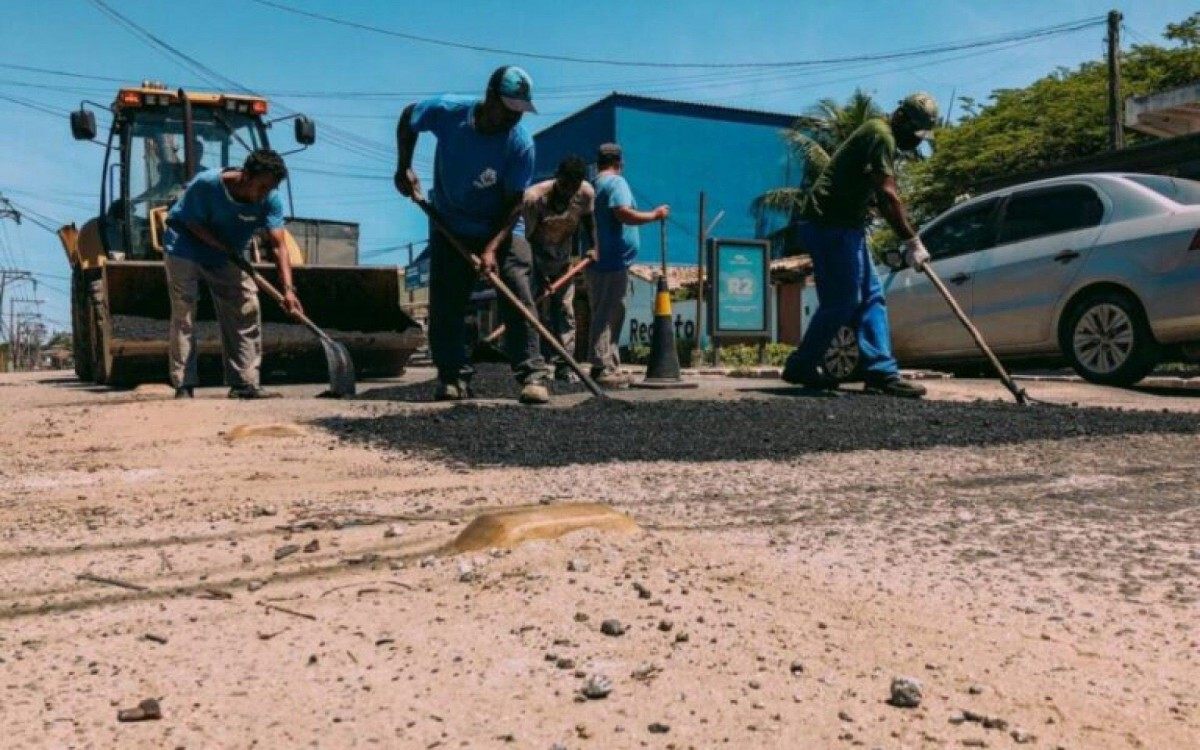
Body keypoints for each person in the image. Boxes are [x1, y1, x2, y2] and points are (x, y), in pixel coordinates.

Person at [393, 65, 551, 405]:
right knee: (447, 301)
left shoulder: (520, 144)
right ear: (491, 97)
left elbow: (514, 206)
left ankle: (532, 374)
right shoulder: (449, 112)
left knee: (518, 288)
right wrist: (403, 165)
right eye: (509, 111)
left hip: (502, 228)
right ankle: (452, 376)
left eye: (520, 113)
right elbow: (409, 117)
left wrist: (493, 248)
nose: (515, 120)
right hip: (450, 222)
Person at [782, 92, 940, 398]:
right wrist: (912, 239)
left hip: (847, 226)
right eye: (917, 133)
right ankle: (802, 365)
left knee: (871, 297)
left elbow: (878, 196)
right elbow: (887, 195)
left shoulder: (883, 137)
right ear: (902, 119)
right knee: (843, 300)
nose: (918, 141)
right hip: (828, 225)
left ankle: (880, 372)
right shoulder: (880, 135)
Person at [163, 148, 301, 399]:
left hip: (227, 254)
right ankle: (184, 383)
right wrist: (222, 246)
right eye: (261, 187)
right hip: (185, 247)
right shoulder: (206, 185)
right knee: (185, 312)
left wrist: (289, 291)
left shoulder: (270, 200)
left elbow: (279, 245)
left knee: (247, 305)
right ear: (245, 175)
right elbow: (191, 222)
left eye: (269, 189)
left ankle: (244, 383)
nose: (263, 195)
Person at [588, 143, 669, 388]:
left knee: (608, 310)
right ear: (619, 163)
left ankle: (608, 364)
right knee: (608, 312)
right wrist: (654, 215)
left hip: (600, 260)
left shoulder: (593, 184)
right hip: (611, 261)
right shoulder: (616, 183)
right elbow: (622, 212)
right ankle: (603, 367)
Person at [522, 154, 597, 382]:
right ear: (557, 178)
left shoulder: (585, 193)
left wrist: (593, 247)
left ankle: (565, 365)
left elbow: (588, 221)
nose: (568, 192)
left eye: (572, 188)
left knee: (565, 313)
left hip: (563, 262)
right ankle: (534, 365)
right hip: (534, 261)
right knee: (533, 313)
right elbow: (525, 241)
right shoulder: (534, 198)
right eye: (564, 186)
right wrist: (539, 274)